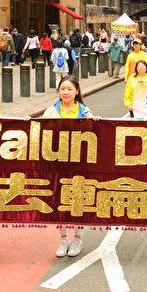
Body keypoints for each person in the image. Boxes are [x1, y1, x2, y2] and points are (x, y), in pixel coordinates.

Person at [39, 75, 99, 257]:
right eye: (62, 89)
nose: (66, 92)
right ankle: (63, 238)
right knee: (60, 200)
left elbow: (96, 136)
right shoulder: (50, 111)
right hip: (57, 163)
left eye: (69, 89)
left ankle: (78, 238)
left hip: (80, 164)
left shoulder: (85, 112)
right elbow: (40, 132)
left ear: (77, 91)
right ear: (58, 91)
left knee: (79, 200)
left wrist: (96, 123)